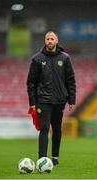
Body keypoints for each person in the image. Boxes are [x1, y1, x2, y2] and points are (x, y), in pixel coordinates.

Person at [27, 31, 76, 166]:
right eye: (47, 39)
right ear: (45, 41)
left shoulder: (65, 58)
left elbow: (71, 80)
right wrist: (32, 102)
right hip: (43, 101)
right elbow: (31, 82)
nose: (49, 41)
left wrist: (72, 100)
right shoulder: (37, 59)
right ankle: (42, 159)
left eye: (52, 39)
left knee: (57, 129)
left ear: (56, 40)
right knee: (44, 128)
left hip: (60, 101)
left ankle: (55, 157)